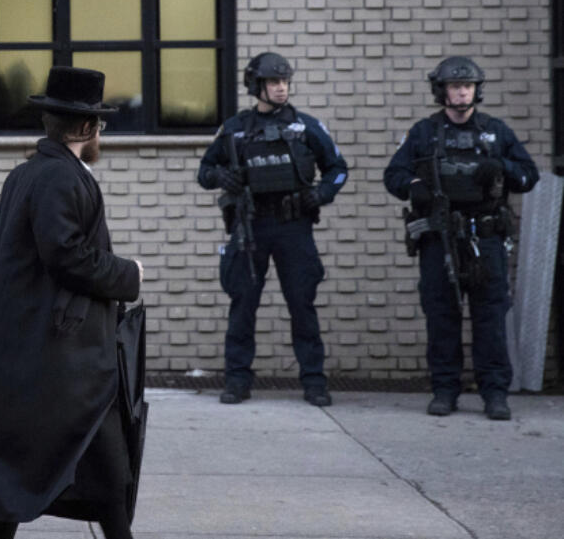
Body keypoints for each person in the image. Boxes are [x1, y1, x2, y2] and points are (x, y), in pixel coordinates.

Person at [0, 66, 143, 539]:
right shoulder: (58, 177)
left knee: (25, 469)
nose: (101, 135)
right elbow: (64, 255)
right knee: (110, 476)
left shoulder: (31, 172)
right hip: (65, 360)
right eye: (101, 127)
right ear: (88, 127)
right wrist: (129, 274)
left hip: (42, 351)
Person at [383, 56, 538, 420]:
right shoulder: (424, 132)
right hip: (440, 238)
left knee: (490, 316)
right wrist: (415, 187)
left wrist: (502, 168)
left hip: (485, 239)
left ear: (476, 90)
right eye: (455, 86)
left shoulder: (495, 131)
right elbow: (393, 176)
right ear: (442, 91)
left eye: (467, 85)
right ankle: (445, 390)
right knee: (441, 315)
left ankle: (494, 393)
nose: (462, 92)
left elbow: (530, 176)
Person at [197, 52, 347, 406]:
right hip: (251, 226)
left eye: (284, 82)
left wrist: (320, 194)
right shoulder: (234, 128)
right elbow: (204, 172)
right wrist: (221, 176)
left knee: (302, 305)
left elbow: (338, 170)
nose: (281, 89)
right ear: (256, 86)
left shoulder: (306, 126)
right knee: (243, 305)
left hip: (294, 226)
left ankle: (313, 382)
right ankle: (237, 380)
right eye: (273, 82)